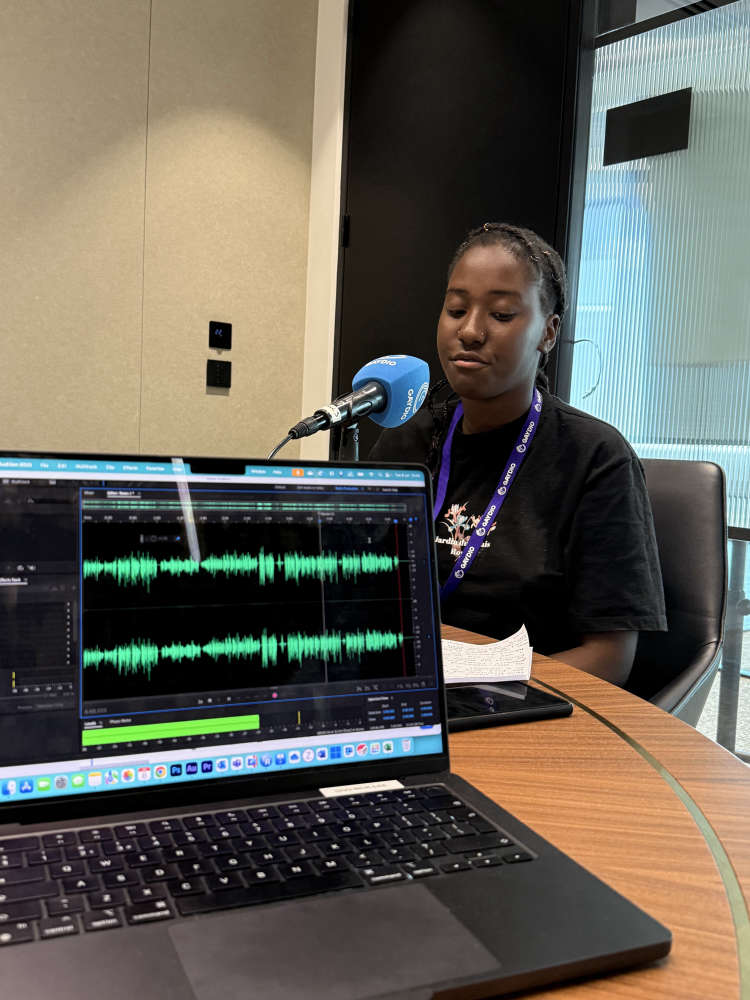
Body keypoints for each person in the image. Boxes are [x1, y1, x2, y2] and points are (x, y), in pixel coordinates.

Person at [370, 222, 666, 685]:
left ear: (548, 332)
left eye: (502, 314)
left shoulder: (595, 458)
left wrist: (474, 682)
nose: (470, 331)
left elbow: (610, 658)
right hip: (405, 688)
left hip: (522, 703)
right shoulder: (405, 441)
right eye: (456, 309)